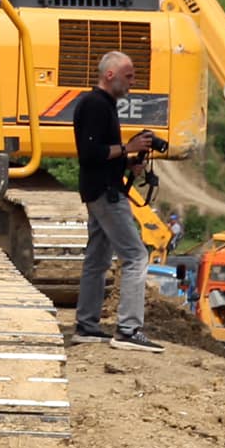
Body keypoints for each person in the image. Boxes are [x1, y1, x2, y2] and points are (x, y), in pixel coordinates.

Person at [72, 50, 163, 353]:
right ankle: (128, 329)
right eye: (129, 75)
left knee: (97, 260)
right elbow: (89, 154)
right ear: (109, 74)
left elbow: (103, 155)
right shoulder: (95, 105)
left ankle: (86, 326)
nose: (132, 81)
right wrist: (128, 148)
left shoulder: (104, 104)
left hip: (101, 189)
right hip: (106, 193)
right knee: (136, 256)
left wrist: (128, 163)